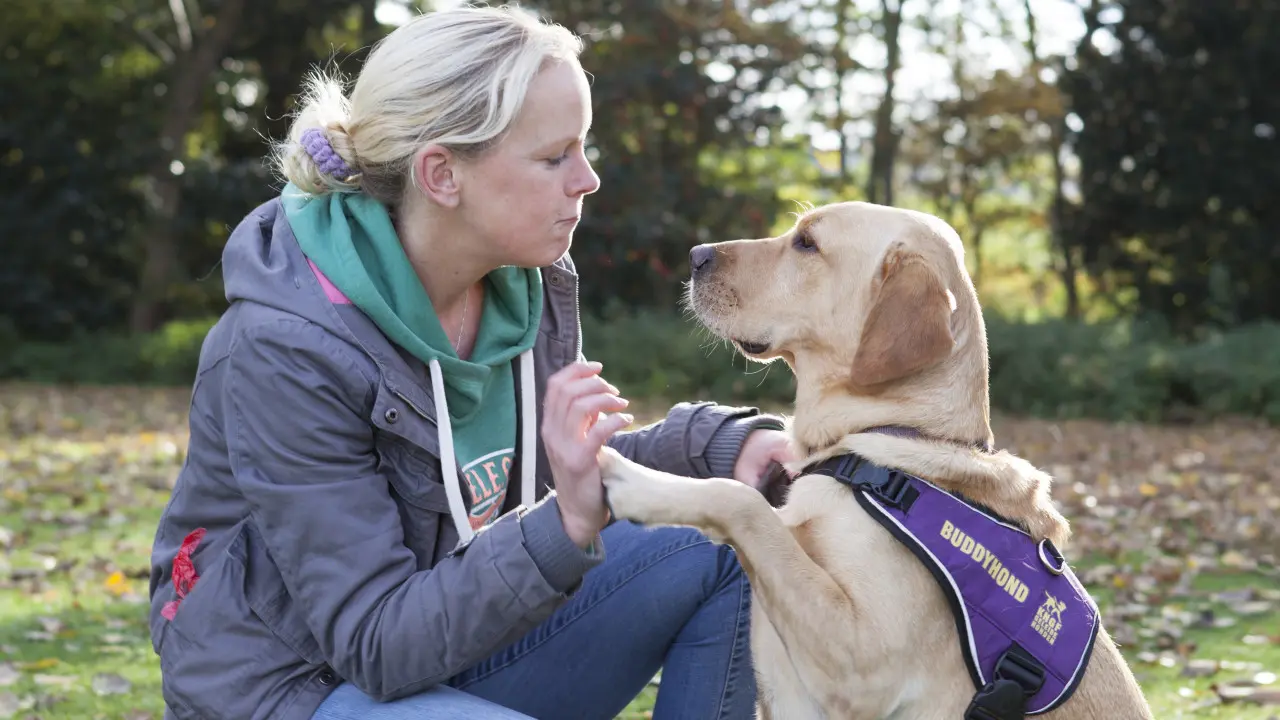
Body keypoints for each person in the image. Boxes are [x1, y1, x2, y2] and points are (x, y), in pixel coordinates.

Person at [146, 5, 795, 720]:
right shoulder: (285, 350)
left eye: (583, 149)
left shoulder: (524, 282)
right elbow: (377, 642)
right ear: (442, 175)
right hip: (298, 689)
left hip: (455, 651)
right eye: (555, 157)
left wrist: (718, 448)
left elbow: (559, 468)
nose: (587, 180)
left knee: (734, 544)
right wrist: (569, 522)